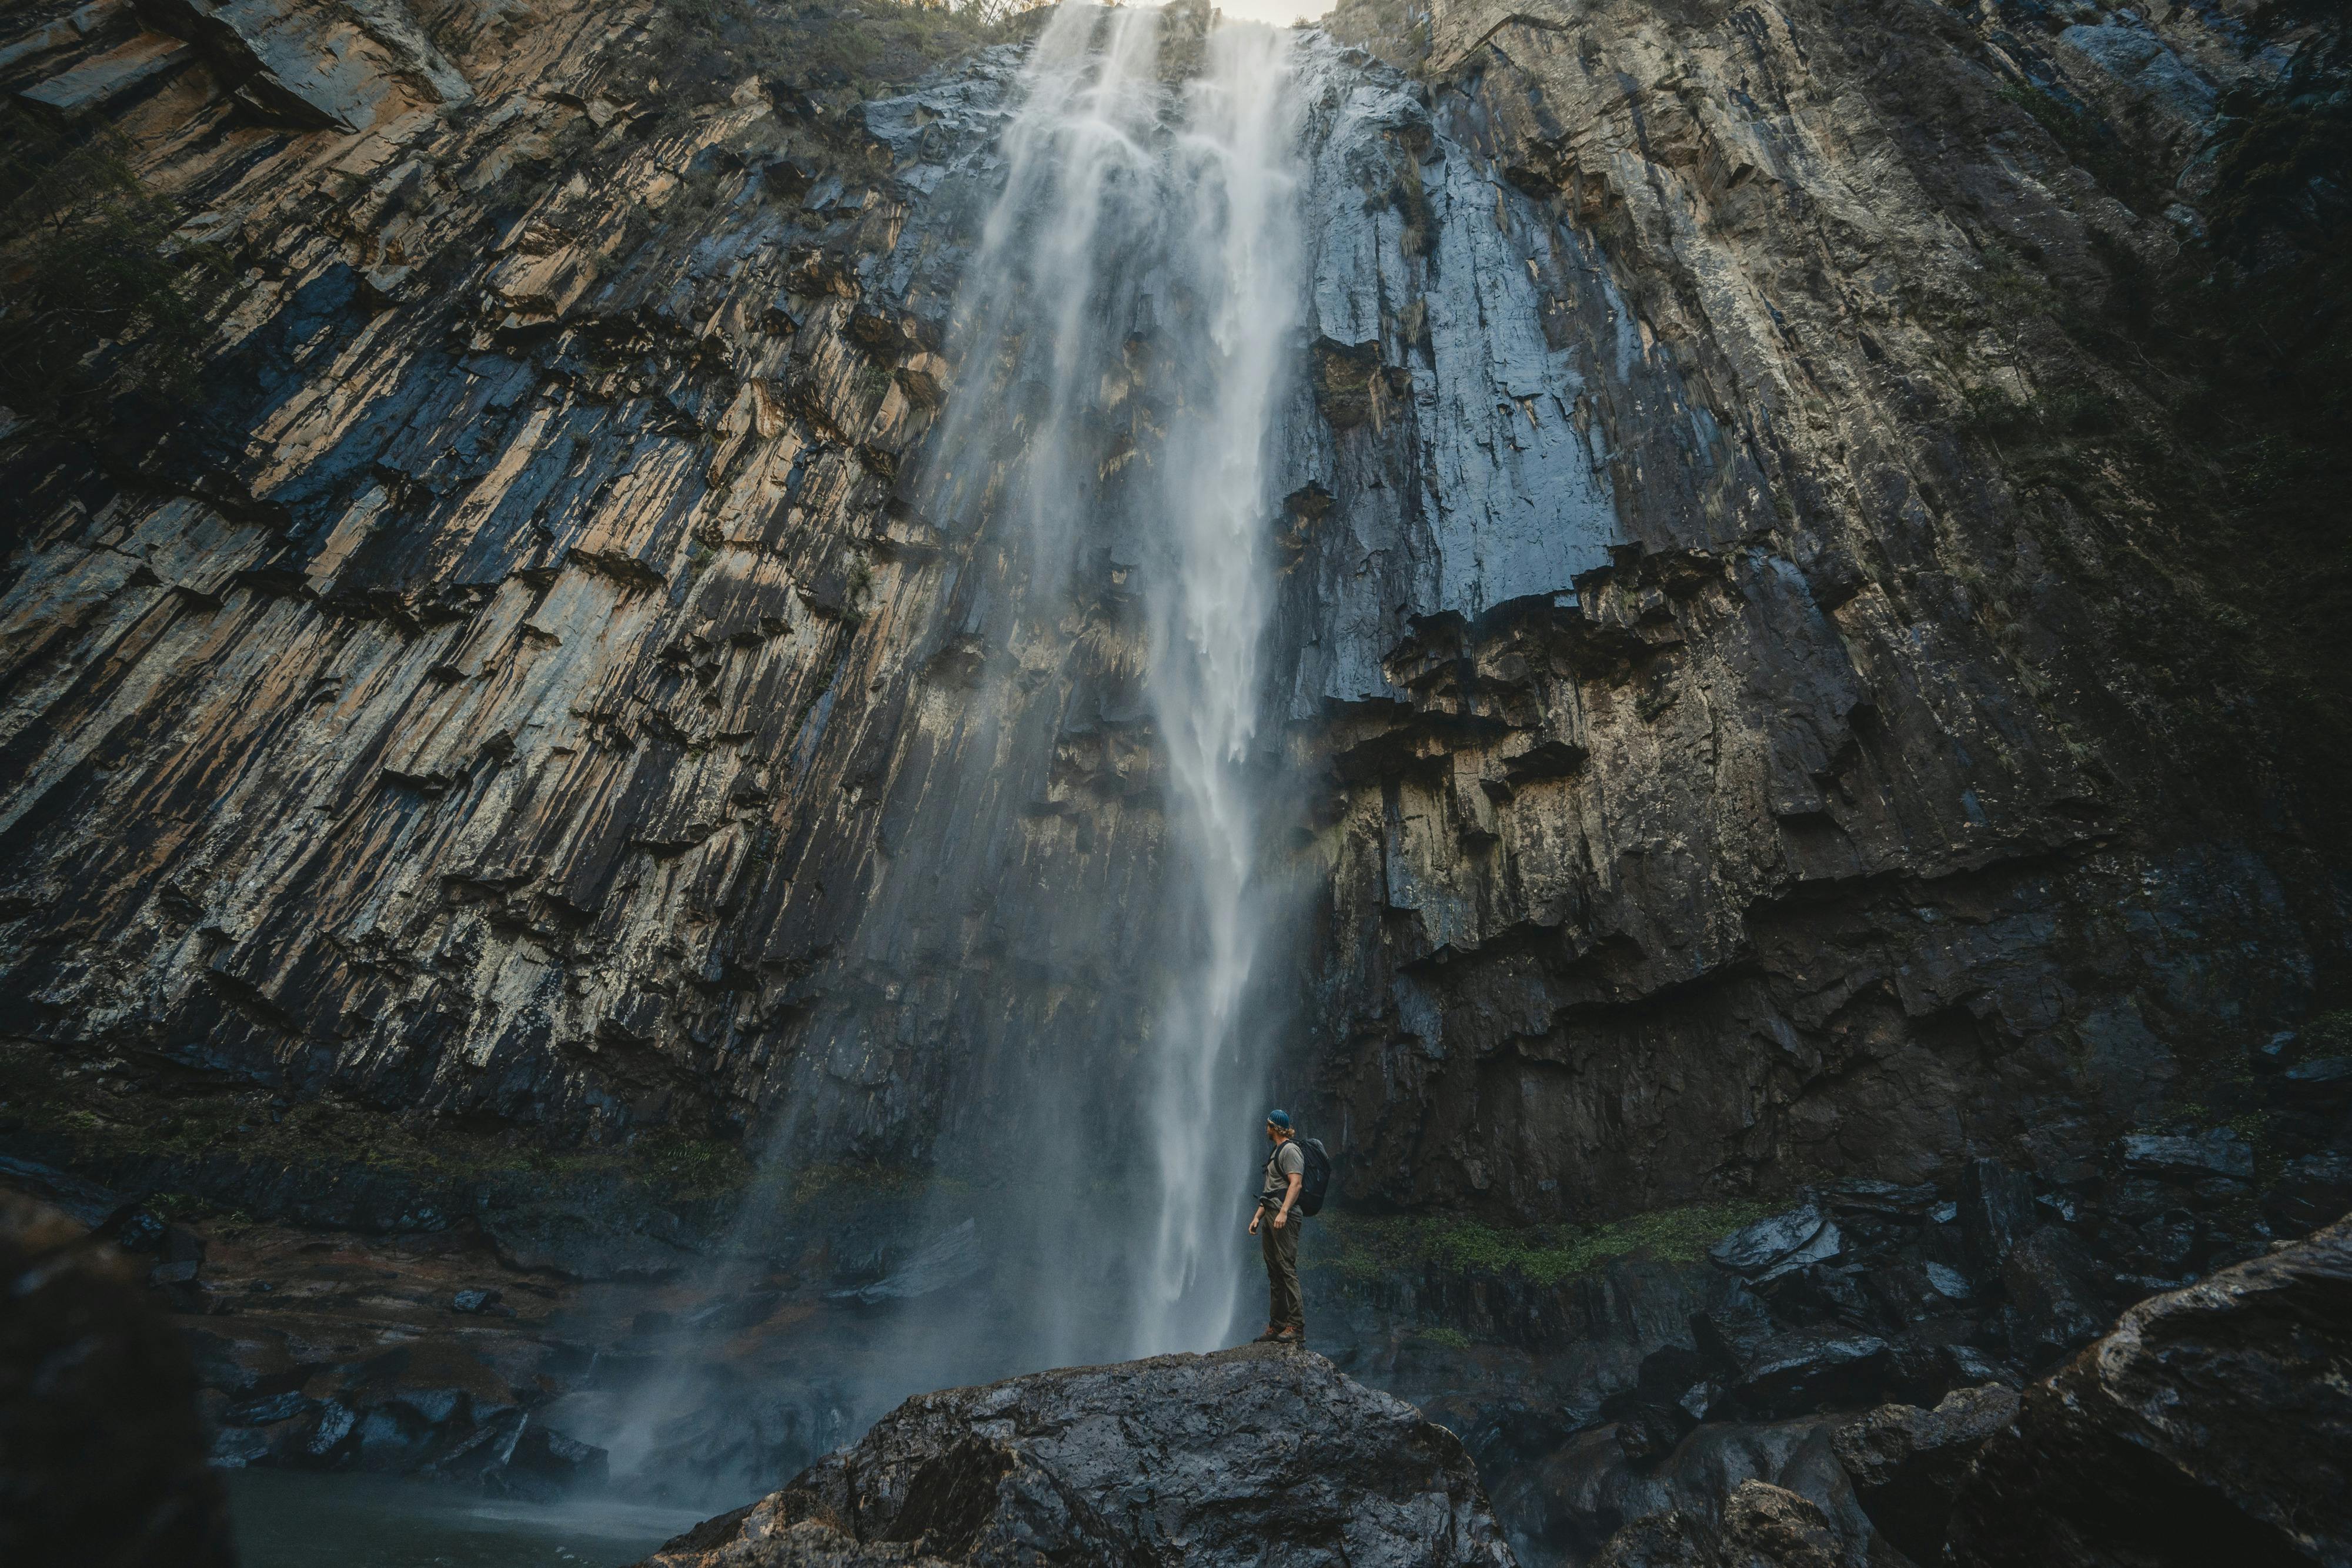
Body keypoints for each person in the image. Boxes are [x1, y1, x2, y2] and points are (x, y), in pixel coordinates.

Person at [1248, 1108, 1306, 1343]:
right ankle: (1278, 1324)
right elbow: (1271, 1191)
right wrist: (1257, 1217)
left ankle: (1296, 1326)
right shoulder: (1276, 1152)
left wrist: (1284, 1212)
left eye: (1268, 1125)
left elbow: (1296, 1184)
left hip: (1283, 1217)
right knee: (1274, 1272)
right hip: (1271, 1214)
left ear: (1274, 1127)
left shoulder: (1290, 1150)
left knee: (1286, 1269)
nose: (1266, 1129)